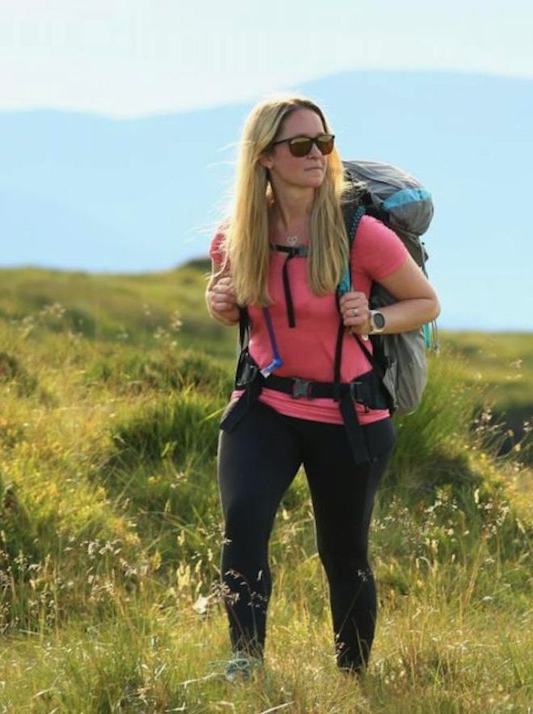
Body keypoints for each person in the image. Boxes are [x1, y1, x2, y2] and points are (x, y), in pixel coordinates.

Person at [203, 95, 439, 679]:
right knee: (244, 528)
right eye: (301, 145)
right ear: (264, 158)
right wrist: (218, 303)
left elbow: (426, 303)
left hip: (349, 416)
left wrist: (374, 318)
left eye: (324, 143)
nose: (317, 156)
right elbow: (231, 305)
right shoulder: (237, 234)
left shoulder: (359, 233)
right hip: (264, 405)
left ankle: (353, 676)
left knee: (343, 553)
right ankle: (245, 661)